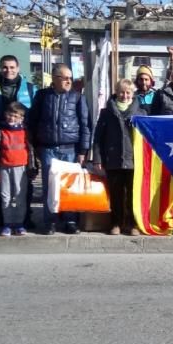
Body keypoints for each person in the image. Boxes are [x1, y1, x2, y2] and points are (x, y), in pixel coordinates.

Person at [27, 64, 91, 235]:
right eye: (65, 77)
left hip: (70, 149)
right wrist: (34, 148)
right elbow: (32, 121)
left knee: (69, 187)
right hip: (48, 149)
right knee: (50, 187)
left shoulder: (78, 98)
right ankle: (50, 221)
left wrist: (83, 151)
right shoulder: (42, 96)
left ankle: (70, 220)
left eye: (70, 77)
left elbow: (85, 125)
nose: (69, 81)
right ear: (55, 79)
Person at [0, 55, 39, 231]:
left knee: (24, 184)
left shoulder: (28, 87)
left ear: (18, 68)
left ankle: (25, 218)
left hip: (21, 137)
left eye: (12, 67)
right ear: (0, 68)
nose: (8, 70)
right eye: (5, 67)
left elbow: (35, 111)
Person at [92, 79, 143, 236]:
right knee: (116, 195)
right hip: (113, 159)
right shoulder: (106, 112)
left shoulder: (141, 113)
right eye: (121, 92)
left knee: (133, 195)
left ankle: (133, 224)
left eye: (128, 92)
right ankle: (116, 223)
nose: (125, 95)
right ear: (116, 92)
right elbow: (98, 138)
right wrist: (98, 159)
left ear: (133, 94)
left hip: (134, 160)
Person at [0, 102, 36, 237]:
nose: (12, 118)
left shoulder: (26, 131)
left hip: (22, 168)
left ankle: (19, 224)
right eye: (9, 115)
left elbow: (31, 151)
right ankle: (7, 224)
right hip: (4, 167)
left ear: (21, 117)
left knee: (20, 197)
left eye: (15, 116)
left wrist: (33, 169)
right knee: (5, 197)